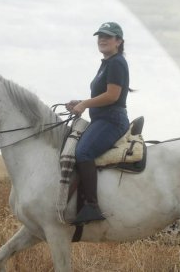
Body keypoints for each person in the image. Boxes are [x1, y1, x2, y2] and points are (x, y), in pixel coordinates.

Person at [67, 22, 131, 225]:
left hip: (112, 120)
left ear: (118, 41)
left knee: (83, 152)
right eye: (100, 36)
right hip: (102, 118)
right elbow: (103, 94)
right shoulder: (107, 63)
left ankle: (92, 206)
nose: (102, 39)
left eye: (108, 36)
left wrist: (85, 104)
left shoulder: (116, 63)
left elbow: (113, 96)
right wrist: (80, 102)